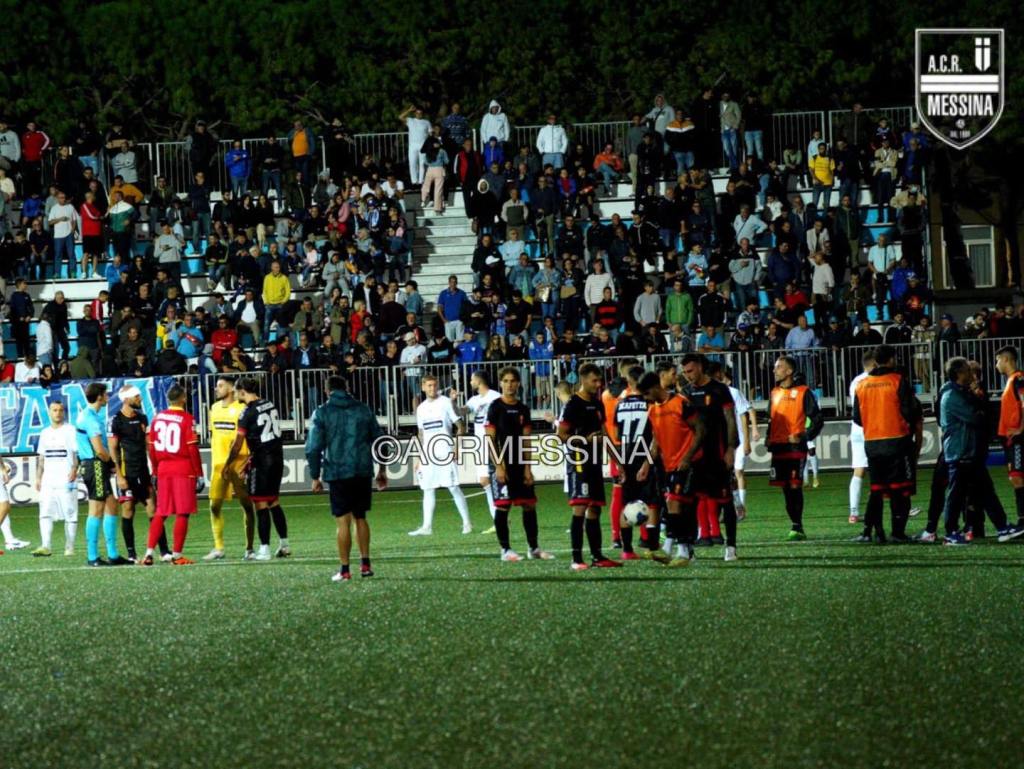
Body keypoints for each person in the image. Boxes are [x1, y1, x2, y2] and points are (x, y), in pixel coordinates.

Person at [306, 374, 389, 582]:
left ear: (327, 391)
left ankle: (344, 570)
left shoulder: (322, 412)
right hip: (361, 469)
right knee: (360, 517)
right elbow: (380, 441)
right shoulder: (363, 409)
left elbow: (313, 447)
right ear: (348, 387)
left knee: (342, 521)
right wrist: (382, 470)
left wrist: (315, 476)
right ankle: (366, 565)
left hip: (337, 471)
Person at [939, 357, 1024, 546]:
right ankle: (950, 532)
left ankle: (1002, 527)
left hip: (969, 452)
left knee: (986, 491)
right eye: (968, 371)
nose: (972, 374)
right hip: (960, 453)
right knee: (956, 494)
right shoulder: (952, 395)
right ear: (959, 373)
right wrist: (980, 410)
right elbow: (975, 417)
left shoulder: (960, 392)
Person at [852, 344, 923, 543]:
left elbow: (857, 418)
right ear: (891, 359)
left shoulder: (861, 385)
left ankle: (874, 532)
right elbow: (910, 411)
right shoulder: (897, 380)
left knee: (877, 490)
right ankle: (898, 532)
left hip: (873, 444)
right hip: (897, 441)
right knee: (901, 490)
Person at [485, 367, 554, 562]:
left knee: (529, 506)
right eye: (505, 381)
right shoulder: (495, 407)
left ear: (518, 384)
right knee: (503, 506)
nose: (509, 385)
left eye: (513, 381)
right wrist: (498, 466)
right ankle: (505, 550)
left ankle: (533, 548)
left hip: (519, 464)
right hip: (502, 464)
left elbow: (526, 440)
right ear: (500, 383)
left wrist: (528, 468)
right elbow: (490, 439)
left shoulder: (523, 409)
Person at [557, 363, 622, 570]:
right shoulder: (573, 404)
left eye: (599, 380)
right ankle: (576, 559)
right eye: (594, 380)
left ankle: (597, 556)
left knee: (595, 509)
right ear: (583, 380)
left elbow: (603, 434)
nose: (598, 384)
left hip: (594, 463)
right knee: (580, 508)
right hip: (578, 462)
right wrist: (585, 439)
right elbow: (562, 435)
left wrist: (617, 461)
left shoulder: (597, 403)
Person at [638, 370, 704, 566]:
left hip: (688, 463)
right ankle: (681, 550)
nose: (646, 399)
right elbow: (656, 442)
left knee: (674, 503)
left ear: (655, 388)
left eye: (647, 394)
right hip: (669, 465)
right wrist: (646, 464)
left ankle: (680, 551)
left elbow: (700, 430)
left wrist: (688, 457)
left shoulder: (680, 403)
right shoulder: (653, 410)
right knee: (677, 507)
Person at [681, 354, 740, 559]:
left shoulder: (719, 389)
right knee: (690, 503)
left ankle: (731, 546)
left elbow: (730, 419)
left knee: (725, 500)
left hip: (717, 453)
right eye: (685, 372)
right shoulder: (686, 392)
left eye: (690, 371)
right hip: (695, 456)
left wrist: (731, 448)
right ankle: (689, 548)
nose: (688, 376)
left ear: (700, 368)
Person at [224, 377, 289, 561]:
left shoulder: (247, 412)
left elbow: (237, 444)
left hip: (262, 462)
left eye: (237, 391)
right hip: (277, 458)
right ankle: (284, 544)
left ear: (243, 391)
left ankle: (264, 550)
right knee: (274, 502)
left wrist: (229, 463)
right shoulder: (269, 403)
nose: (235, 394)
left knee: (260, 503)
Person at [142, 385, 205, 565]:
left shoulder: (157, 418)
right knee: (183, 513)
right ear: (183, 398)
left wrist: (154, 470)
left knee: (161, 512)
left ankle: (148, 553)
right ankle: (177, 555)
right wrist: (198, 473)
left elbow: (151, 447)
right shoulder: (186, 419)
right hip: (182, 468)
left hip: (163, 469)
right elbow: (192, 448)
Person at [766, 356, 824, 540]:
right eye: (775, 367)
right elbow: (771, 418)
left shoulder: (803, 392)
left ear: (789, 371)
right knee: (785, 488)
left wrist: (803, 436)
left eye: (779, 367)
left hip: (795, 448)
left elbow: (817, 419)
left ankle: (797, 526)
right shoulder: (774, 392)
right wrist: (768, 437)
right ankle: (795, 525)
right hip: (778, 448)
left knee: (794, 486)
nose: (775, 370)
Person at [109, 385, 168, 564]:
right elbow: (113, 448)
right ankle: (131, 553)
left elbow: (148, 444)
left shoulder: (142, 418)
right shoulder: (116, 420)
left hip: (143, 471)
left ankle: (164, 550)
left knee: (153, 509)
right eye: (137, 396)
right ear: (126, 399)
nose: (140, 399)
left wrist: (155, 466)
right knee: (128, 509)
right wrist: (119, 475)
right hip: (127, 474)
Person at [408, 375, 473, 536]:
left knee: (453, 487)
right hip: (429, 454)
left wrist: (456, 448)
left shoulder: (445, 402)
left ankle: (467, 523)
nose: (432, 388)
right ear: (423, 387)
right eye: (429, 386)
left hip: (445, 451)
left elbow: (461, 426)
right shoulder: (421, 408)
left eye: (434, 385)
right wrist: (420, 457)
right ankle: (426, 527)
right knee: (428, 489)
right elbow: (421, 434)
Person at [75, 383, 131, 566]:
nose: (108, 397)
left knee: (112, 505)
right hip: (95, 465)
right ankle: (92, 557)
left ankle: (113, 554)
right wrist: (112, 463)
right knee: (96, 510)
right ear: (99, 396)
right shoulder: (90, 418)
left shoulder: (90, 415)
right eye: (105, 394)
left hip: (96, 465)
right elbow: (99, 450)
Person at [204, 376, 256, 561]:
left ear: (232, 388)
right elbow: (215, 435)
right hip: (219, 464)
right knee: (214, 506)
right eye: (217, 385)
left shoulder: (242, 409)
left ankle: (249, 548)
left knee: (246, 505)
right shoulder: (214, 408)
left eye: (220, 385)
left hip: (238, 464)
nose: (216, 389)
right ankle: (219, 547)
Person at [611, 365, 657, 560]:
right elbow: (656, 434)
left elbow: (617, 434)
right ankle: (653, 547)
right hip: (644, 455)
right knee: (653, 503)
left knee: (626, 504)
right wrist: (648, 461)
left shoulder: (619, 405)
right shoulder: (650, 404)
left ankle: (627, 550)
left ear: (629, 382)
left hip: (625, 455)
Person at [711, 363, 757, 522]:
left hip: (736, 441)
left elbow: (744, 415)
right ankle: (733, 508)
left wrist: (746, 441)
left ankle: (740, 507)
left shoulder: (733, 392)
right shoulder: (711, 394)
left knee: (737, 473)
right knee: (725, 478)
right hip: (720, 443)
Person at [30, 402, 77, 557]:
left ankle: (69, 547)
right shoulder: (44, 433)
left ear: (64, 413)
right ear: (49, 412)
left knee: (70, 513)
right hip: (48, 480)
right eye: (54, 410)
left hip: (65, 478)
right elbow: (42, 458)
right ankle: (46, 546)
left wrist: (74, 470)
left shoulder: (70, 430)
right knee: (44, 512)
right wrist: (38, 477)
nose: (58, 413)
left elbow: (76, 454)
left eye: (60, 410)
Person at [458, 371, 501, 533]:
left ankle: (499, 519)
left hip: (491, 441)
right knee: (485, 481)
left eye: (471, 379)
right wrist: (454, 403)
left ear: (478, 380)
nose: (470, 383)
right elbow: (462, 412)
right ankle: (499, 519)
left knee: (488, 480)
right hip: (480, 443)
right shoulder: (474, 400)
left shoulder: (494, 396)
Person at [995, 346, 1024, 531]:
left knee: (1018, 478)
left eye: (997, 360)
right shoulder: (1010, 381)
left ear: (1006, 359)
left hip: (1018, 438)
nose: (996, 364)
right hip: (1010, 438)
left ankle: (1023, 520)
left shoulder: (1018, 379)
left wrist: (1021, 428)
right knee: (1016, 478)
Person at [847, 350, 875, 525]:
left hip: (856, 427)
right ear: (873, 364)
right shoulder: (873, 381)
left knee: (859, 470)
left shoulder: (855, 381)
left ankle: (854, 512)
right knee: (880, 469)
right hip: (872, 427)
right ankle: (899, 506)